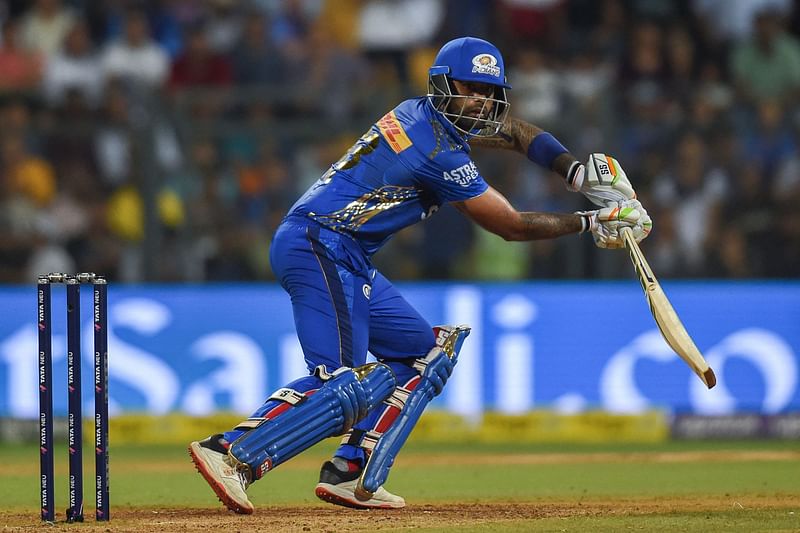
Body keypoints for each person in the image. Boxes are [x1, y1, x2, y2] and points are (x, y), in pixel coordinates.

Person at [188, 36, 651, 514]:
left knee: (426, 351)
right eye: (471, 89)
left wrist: (576, 174)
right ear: (443, 86)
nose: (482, 101)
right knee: (340, 382)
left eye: (490, 91)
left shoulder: (424, 114)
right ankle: (230, 453)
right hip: (321, 243)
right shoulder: (435, 150)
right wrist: (595, 220)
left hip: (343, 251)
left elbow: (513, 132)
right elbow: (508, 226)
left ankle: (352, 470)